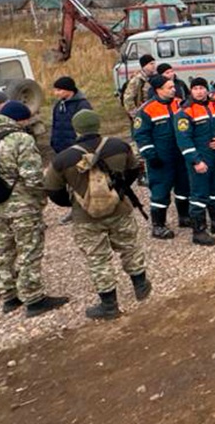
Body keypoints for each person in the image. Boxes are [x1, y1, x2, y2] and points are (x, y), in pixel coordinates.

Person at [45, 109, 152, 319]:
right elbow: (134, 170)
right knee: (130, 246)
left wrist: (76, 204)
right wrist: (118, 192)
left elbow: (53, 191)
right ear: (97, 124)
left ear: (76, 129)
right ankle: (140, 286)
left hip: (85, 218)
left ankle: (109, 304)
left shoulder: (63, 159)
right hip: (119, 209)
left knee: (98, 258)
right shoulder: (118, 146)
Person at [0, 101, 70, 316]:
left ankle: (9, 296)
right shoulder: (21, 139)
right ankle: (33, 298)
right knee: (29, 250)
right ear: (20, 119)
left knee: (3, 250)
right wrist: (43, 197)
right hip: (22, 206)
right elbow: (33, 178)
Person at [175, 77, 215, 245]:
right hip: (200, 158)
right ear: (191, 91)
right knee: (199, 194)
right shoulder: (185, 111)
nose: (199, 91)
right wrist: (196, 162)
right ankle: (198, 231)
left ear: (207, 89)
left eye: (202, 88)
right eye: (196, 88)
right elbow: (184, 140)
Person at [132, 75, 191, 239]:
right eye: (170, 87)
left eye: (174, 87)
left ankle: (184, 217)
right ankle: (158, 225)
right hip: (160, 158)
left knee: (184, 187)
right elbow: (141, 135)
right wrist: (150, 156)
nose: (174, 90)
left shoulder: (179, 104)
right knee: (160, 191)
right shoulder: (146, 110)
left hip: (180, 155)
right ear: (158, 90)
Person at [49, 76, 93, 154]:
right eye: (55, 90)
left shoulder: (82, 105)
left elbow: (88, 128)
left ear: (69, 89)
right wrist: (54, 142)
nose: (56, 93)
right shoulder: (58, 105)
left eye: (59, 90)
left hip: (77, 149)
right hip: (60, 149)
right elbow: (55, 125)